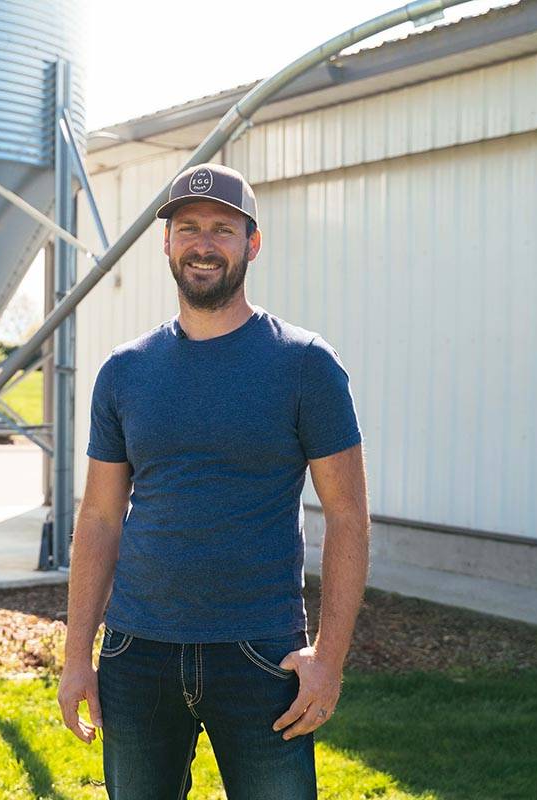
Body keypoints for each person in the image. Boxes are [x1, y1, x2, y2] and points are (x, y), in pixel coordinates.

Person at [56, 162, 370, 799]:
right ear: (167, 243)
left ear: (251, 244)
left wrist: (328, 659)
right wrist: (76, 657)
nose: (204, 244)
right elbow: (98, 519)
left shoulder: (305, 364)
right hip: (135, 654)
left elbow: (347, 515)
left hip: (261, 655)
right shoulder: (124, 372)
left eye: (223, 229)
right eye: (188, 228)